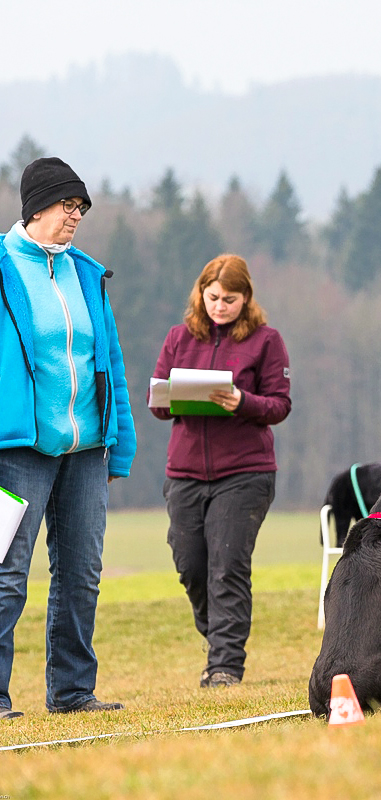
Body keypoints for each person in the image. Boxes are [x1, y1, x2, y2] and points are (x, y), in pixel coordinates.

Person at [0, 157, 137, 716]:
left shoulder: (85, 273)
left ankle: (73, 691)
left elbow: (111, 363)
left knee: (81, 575)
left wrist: (119, 443)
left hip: (86, 450)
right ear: (36, 207)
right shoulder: (3, 267)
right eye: (66, 205)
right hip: (18, 452)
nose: (76, 216)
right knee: (6, 574)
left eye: (81, 207)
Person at [149, 254, 290, 688]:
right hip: (185, 473)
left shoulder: (267, 341)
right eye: (213, 298)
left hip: (245, 473)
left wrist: (242, 402)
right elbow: (157, 403)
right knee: (191, 566)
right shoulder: (178, 337)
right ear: (201, 294)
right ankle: (219, 642)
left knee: (227, 567)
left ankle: (225, 666)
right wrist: (170, 397)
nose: (220, 306)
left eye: (230, 299)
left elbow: (279, 405)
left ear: (246, 298)